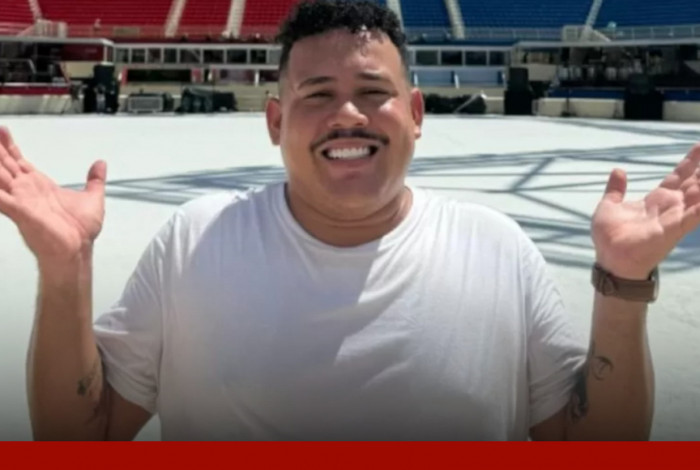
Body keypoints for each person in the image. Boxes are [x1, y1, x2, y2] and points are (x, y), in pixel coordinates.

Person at [0, 0, 699, 441]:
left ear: (417, 115)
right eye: (318, 94)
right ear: (275, 121)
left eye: (373, 91)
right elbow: (81, 438)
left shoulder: (498, 251)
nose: (348, 115)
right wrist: (65, 271)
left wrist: (623, 284)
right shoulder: (193, 244)